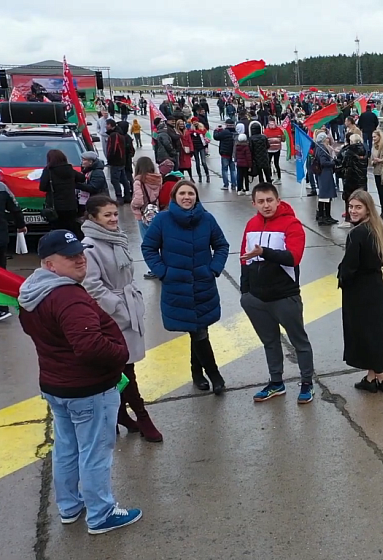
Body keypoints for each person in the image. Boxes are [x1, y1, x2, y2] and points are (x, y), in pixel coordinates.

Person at [18, 230, 142, 534]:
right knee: (95, 452)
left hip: (56, 385)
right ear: (49, 264)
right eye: (69, 256)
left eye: (79, 253)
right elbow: (89, 346)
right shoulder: (69, 297)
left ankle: (70, 506)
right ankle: (101, 514)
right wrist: (119, 353)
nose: (79, 259)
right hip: (88, 389)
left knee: (67, 448)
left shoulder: (33, 291)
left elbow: (32, 329)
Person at [82, 196, 162, 443]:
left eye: (115, 214)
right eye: (107, 215)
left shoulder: (117, 238)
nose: (113, 219)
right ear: (93, 218)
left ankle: (120, 415)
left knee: (124, 367)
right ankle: (141, 415)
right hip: (112, 316)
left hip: (128, 306)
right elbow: (91, 284)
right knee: (123, 367)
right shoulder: (89, 246)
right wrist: (117, 307)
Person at [141, 180, 230, 395]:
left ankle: (197, 373)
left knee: (198, 330)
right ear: (174, 197)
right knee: (198, 332)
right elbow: (149, 247)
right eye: (182, 193)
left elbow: (221, 245)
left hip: (203, 285)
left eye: (191, 193)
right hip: (177, 286)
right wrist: (163, 272)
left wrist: (213, 269)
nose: (187, 197)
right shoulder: (162, 220)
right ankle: (214, 374)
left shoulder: (207, 219)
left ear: (196, 197)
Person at [241, 184, 316, 405]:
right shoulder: (251, 224)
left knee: (299, 342)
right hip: (256, 299)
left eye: (270, 200)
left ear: (278, 200)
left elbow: (293, 257)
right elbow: (244, 258)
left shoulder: (291, 223)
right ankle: (276, 383)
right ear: (254, 203)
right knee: (269, 342)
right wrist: (245, 293)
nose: (266, 205)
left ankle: (306, 383)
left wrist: (264, 252)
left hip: (285, 297)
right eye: (261, 201)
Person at [339, 190, 383, 393]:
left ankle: (382, 377)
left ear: (367, 208)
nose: (352, 210)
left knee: (364, 334)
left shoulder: (356, 234)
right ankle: (373, 378)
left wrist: (342, 278)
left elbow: (349, 268)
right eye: (351, 206)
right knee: (375, 332)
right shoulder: (375, 228)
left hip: (359, 292)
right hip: (375, 288)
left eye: (357, 207)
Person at [39, 149, 87, 239]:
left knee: (57, 229)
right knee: (71, 227)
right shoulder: (69, 169)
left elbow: (42, 187)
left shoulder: (49, 171)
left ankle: (60, 247)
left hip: (55, 207)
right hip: (71, 205)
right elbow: (82, 178)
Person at [0, 171, 26, 321]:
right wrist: (21, 225)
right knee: (1, 272)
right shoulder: (2, 188)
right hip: (0, 236)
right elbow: (15, 208)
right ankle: (2, 308)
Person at [336, 134, 369, 229]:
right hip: (362, 179)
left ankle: (348, 219)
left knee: (349, 201)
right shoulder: (365, 150)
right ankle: (363, 218)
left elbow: (344, 165)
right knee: (362, 200)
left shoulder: (349, 152)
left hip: (351, 180)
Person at [106, 119, 134, 203]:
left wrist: (109, 159)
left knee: (115, 180)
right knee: (124, 179)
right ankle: (127, 195)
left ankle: (120, 197)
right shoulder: (122, 135)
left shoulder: (114, 135)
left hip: (117, 162)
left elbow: (112, 149)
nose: (106, 126)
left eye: (107, 125)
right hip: (123, 161)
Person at [313, 132, 339, 225]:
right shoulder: (322, 148)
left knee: (326, 196)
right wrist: (333, 162)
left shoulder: (319, 147)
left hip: (324, 174)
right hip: (325, 174)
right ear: (324, 139)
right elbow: (323, 162)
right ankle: (324, 216)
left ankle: (326, 215)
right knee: (325, 195)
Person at [213, 119, 238, 190]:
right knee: (233, 170)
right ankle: (234, 185)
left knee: (225, 170)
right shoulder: (236, 132)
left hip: (225, 154)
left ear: (226, 124)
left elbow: (216, 137)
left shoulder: (224, 132)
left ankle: (226, 185)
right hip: (233, 154)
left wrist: (216, 130)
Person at [264, 118, 284, 184]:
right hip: (276, 149)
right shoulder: (279, 130)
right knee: (276, 163)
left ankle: (270, 177)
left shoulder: (266, 131)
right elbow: (283, 139)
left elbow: (264, 140)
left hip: (270, 150)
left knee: (268, 163)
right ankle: (278, 178)